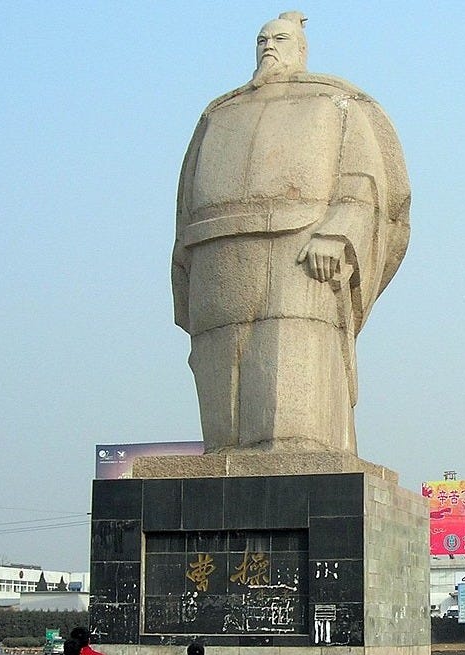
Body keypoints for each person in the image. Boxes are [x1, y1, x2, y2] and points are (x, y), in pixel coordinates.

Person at [172, 11, 411, 455]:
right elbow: (186, 199)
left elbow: (362, 180)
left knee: (290, 377)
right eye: (262, 39)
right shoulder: (219, 112)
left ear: (300, 49)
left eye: (279, 39)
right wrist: (186, 260)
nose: (269, 46)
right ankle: (224, 454)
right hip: (215, 251)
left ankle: (298, 455)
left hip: (300, 247)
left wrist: (337, 233)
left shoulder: (333, 101)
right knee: (220, 377)